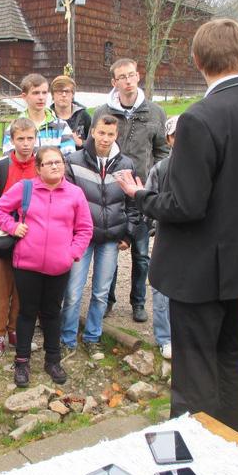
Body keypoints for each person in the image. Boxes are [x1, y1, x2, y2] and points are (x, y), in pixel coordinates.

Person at [116, 19, 238, 434]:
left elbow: (185, 205)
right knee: (229, 355)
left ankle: (195, 449)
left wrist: (140, 196)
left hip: (198, 265)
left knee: (194, 367)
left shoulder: (199, 118)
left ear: (197, 59)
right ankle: (231, 439)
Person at [0, 146, 92, 387]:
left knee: (51, 314)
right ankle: (22, 362)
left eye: (58, 162)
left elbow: (85, 229)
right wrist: (13, 227)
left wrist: (72, 253)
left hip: (59, 267)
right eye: (49, 163)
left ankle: (53, 360)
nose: (55, 166)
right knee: (27, 312)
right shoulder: (25, 189)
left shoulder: (75, 194)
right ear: (38, 168)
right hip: (27, 264)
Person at [94, 58, 168, 324]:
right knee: (110, 249)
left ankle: (138, 302)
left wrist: (153, 180)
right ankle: (108, 300)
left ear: (138, 76)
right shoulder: (103, 110)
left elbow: (162, 150)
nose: (128, 80)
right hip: (110, 192)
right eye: (122, 77)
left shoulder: (155, 113)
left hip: (141, 193)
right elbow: (96, 146)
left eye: (132, 75)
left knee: (141, 252)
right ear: (114, 82)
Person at [61, 115, 138, 358]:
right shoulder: (74, 161)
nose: (105, 138)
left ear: (117, 135)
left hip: (111, 237)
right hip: (82, 237)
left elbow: (134, 203)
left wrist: (128, 235)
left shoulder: (126, 164)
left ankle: (92, 337)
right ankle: (67, 338)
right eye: (101, 133)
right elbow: (66, 201)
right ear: (93, 131)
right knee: (73, 291)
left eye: (111, 134)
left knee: (101, 291)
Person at [0, 118, 38, 358]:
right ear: (11, 140)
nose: (25, 144)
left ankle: (15, 331)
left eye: (30, 138)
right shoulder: (1, 168)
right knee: (1, 288)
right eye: (20, 139)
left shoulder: (42, 165)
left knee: (24, 290)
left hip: (32, 240)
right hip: (3, 239)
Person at [145, 115, 178, 360]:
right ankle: (164, 338)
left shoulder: (205, 164)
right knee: (161, 286)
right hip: (166, 235)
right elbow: (148, 198)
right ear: (168, 139)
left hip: (195, 238)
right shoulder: (160, 168)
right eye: (176, 135)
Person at [1, 73, 76, 156]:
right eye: (36, 93)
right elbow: (10, 162)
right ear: (24, 97)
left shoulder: (62, 126)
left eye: (44, 93)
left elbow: (69, 161)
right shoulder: (13, 129)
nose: (41, 97)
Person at [50, 75, 92, 148]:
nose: (64, 95)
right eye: (60, 91)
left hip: (79, 158)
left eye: (67, 91)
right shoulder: (48, 117)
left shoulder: (83, 116)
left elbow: (94, 143)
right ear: (53, 94)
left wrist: (81, 143)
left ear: (72, 94)